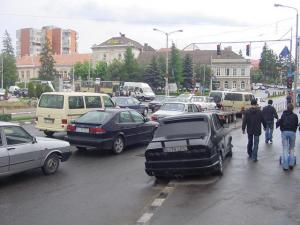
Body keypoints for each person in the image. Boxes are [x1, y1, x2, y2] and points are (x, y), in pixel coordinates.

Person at [276, 103, 298, 171]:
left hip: (284, 132)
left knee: (285, 149)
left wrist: (282, 129)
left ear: (287, 108)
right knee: (291, 148)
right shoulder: (295, 116)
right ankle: (291, 164)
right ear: (292, 109)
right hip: (292, 133)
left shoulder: (283, 115)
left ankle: (285, 166)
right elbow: (296, 124)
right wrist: (294, 130)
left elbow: (281, 123)